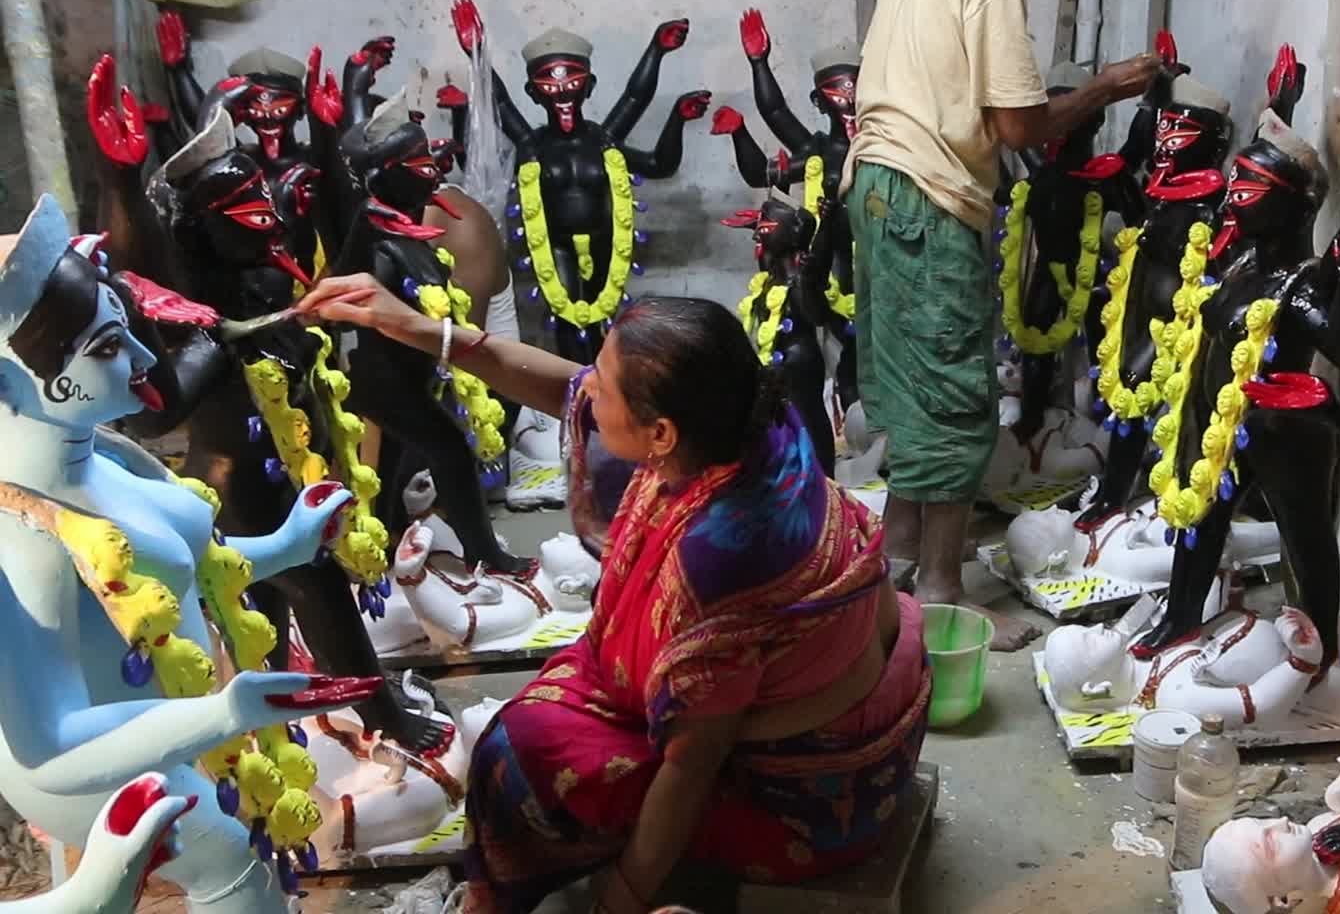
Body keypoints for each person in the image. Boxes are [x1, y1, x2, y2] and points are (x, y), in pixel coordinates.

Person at [294, 275, 931, 914]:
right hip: (820, 682)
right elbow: (564, 388)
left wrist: (622, 897)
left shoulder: (721, 559)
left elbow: (691, 763)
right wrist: (416, 327)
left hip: (796, 789)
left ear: (660, 436)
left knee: (513, 755)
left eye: (602, 382)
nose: (584, 389)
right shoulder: (747, 417)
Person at [848, 0, 1162, 650]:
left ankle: (899, 563)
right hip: (926, 193)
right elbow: (1017, 125)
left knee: (915, 388)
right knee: (956, 394)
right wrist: (1105, 87)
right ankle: (948, 594)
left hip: (878, 188)